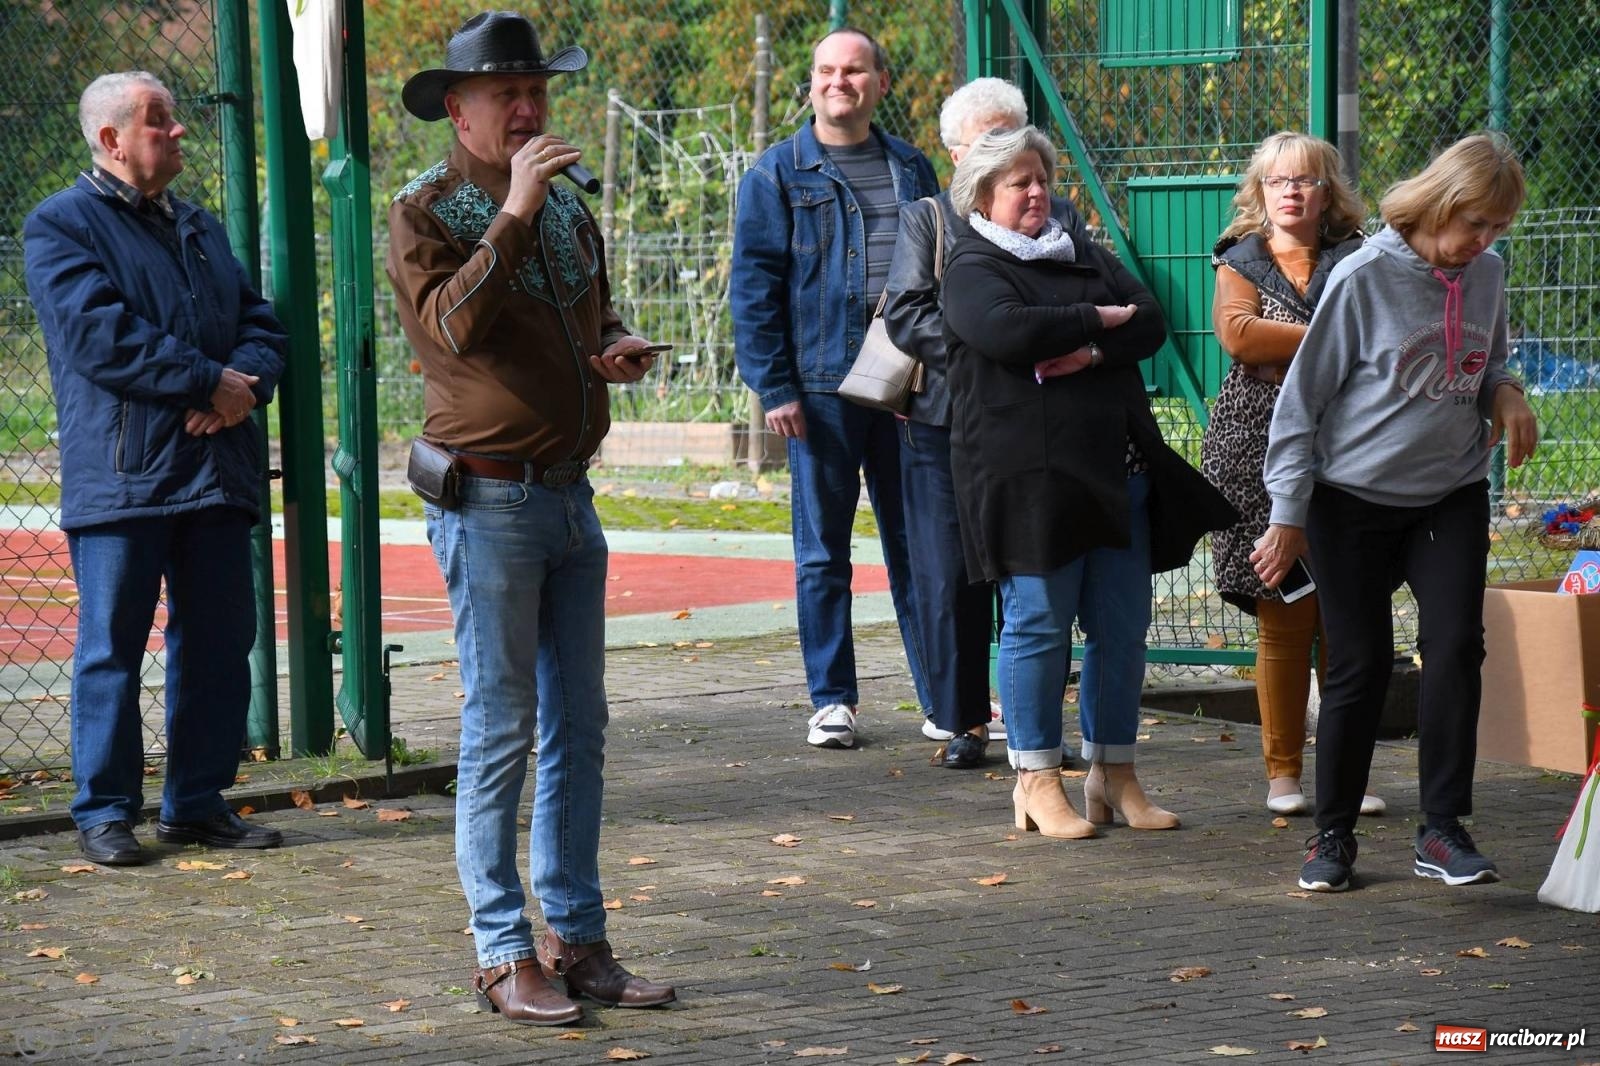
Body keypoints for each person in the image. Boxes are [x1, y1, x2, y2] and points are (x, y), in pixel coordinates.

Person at [386, 12, 674, 1025]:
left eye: (538, 92)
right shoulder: (425, 210)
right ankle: (503, 952)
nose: (527, 108)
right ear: (456, 110)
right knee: (500, 726)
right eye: (506, 94)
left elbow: (591, 317)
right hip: (488, 499)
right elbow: (453, 328)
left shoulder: (565, 208)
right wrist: (511, 208)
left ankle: (579, 940)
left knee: (579, 729)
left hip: (567, 496)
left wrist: (613, 347)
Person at [1255, 132, 1538, 892]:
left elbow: (1490, 364)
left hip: (1447, 492)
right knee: (1360, 664)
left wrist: (1506, 395)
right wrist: (1288, 513)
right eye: (1473, 224)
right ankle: (1333, 836)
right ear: (1440, 202)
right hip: (1350, 500)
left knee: (1454, 647)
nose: (1481, 244)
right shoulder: (1363, 277)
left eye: (1495, 231)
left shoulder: (1487, 275)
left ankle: (1442, 829)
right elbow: (1299, 405)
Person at [22, 71, 288, 867]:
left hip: (215, 470)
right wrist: (209, 381)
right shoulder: (59, 226)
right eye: (159, 121)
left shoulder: (199, 226)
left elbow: (261, 326)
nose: (177, 132)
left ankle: (196, 806)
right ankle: (105, 812)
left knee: (218, 641)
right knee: (113, 646)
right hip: (124, 477)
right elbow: (99, 337)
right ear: (111, 140)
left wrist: (243, 388)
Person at [941, 127, 1235, 838]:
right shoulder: (972, 266)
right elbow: (1007, 332)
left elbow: (1153, 321)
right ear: (983, 195)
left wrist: (1094, 346)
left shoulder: (1084, 252)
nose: (1037, 191)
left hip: (1118, 474)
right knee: (1038, 627)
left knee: (1121, 629)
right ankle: (1037, 779)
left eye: (1041, 177)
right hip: (1028, 482)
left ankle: (1114, 774)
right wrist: (1097, 318)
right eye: (1018, 182)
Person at [731, 27, 939, 750]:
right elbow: (753, 289)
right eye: (826, 70)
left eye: (853, 70)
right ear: (812, 83)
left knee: (918, 546)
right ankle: (832, 700)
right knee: (823, 551)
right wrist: (774, 385)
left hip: (908, 383)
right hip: (817, 389)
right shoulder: (777, 173)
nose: (838, 82)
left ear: (880, 83)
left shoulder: (913, 168)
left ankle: (941, 698)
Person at [881, 78, 1090, 769]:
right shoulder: (928, 218)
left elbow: (1088, 295)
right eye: (986, 142)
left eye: (1012, 138)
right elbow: (908, 312)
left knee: (1037, 577)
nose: (1003, 156)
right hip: (945, 421)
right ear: (955, 154)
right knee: (949, 575)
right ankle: (963, 721)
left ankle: (1039, 724)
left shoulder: (1059, 216)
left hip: (1038, 424)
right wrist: (994, 351)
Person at [1199, 131, 1386, 817]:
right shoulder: (1239, 260)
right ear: (1260, 192)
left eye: (1306, 180)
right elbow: (1240, 336)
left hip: (1349, 446)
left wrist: (1304, 339)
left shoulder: (1360, 255)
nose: (1291, 191)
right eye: (1278, 181)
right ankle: (1283, 775)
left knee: (1346, 618)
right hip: (1255, 450)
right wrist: (1334, 334)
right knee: (1284, 614)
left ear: (1327, 191)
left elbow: (1384, 334)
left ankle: (1347, 774)